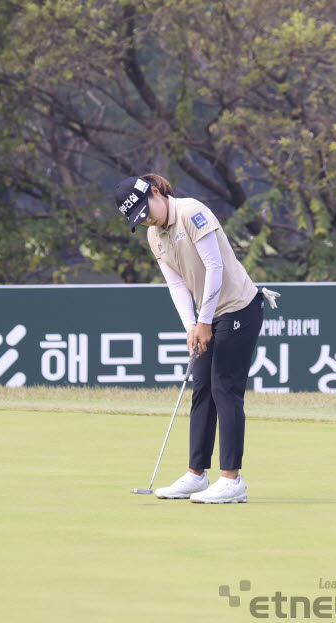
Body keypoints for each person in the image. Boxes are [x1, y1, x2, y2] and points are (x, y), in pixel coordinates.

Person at [113, 174, 278, 504]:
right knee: (201, 389)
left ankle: (232, 481)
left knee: (224, 389)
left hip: (239, 309)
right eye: (138, 218)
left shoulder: (190, 212)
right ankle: (196, 475)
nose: (146, 219)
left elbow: (214, 266)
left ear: (156, 193)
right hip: (208, 315)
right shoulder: (153, 235)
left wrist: (203, 322)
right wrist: (191, 325)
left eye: (145, 210)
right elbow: (176, 284)